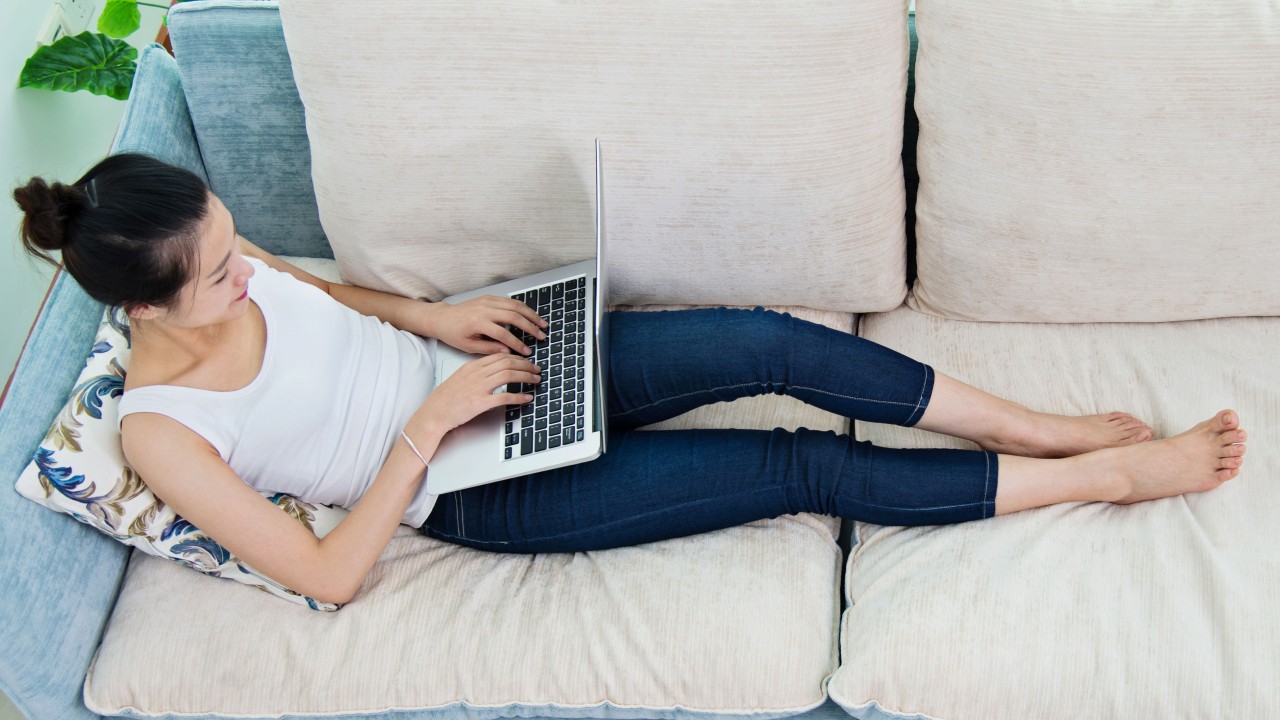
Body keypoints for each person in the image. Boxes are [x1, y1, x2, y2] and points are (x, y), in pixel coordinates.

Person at [13, 153, 1248, 605]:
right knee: (797, 466)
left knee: (773, 343)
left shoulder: (212, 249)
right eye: (222, 272)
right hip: (471, 488)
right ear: (141, 308)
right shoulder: (162, 433)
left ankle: (1031, 429)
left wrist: (429, 321)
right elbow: (333, 578)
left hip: (496, 366)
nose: (246, 269)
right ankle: (1108, 474)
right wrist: (421, 430)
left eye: (236, 244)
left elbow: (327, 295)